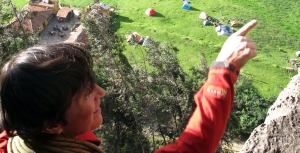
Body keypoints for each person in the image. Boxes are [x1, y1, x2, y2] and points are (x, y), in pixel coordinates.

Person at [0, 20, 258, 153]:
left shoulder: (19, 133)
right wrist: (225, 69)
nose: (101, 92)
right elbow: (193, 147)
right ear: (52, 125)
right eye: (88, 93)